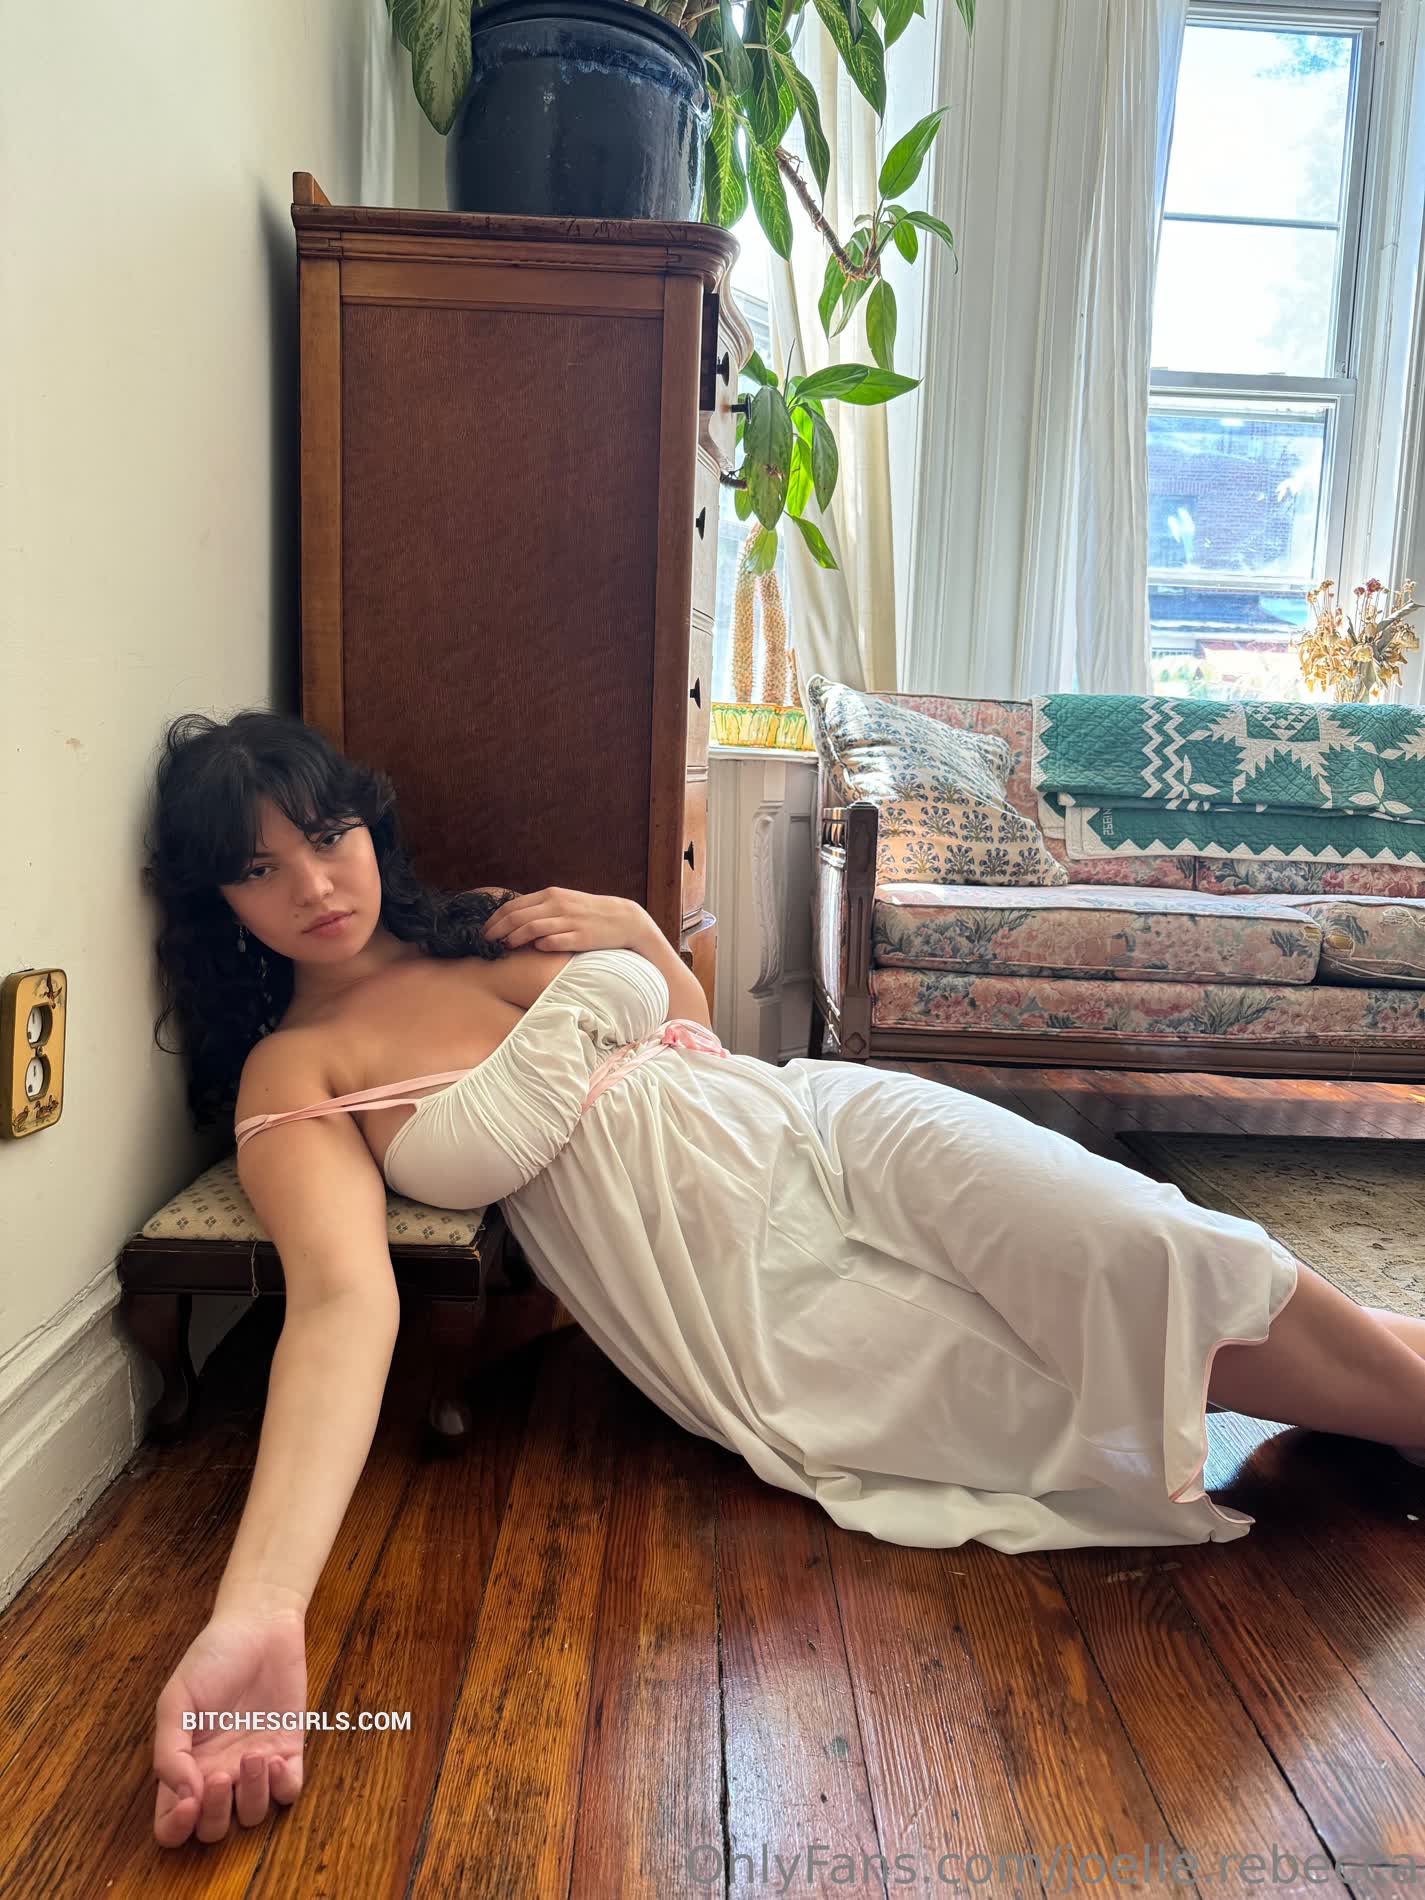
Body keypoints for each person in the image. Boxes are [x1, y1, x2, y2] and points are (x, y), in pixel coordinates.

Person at [143, 709, 1425, 1848]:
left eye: (328, 834)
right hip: (740, 1285)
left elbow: (686, 1027)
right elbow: (342, 1305)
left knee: (1134, 1239)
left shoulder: (479, 919)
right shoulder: (293, 1071)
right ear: (218, 902)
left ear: (369, 822)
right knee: (1045, 1370)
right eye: (259, 867)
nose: (315, 882)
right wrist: (260, 1607)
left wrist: (637, 930)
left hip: (817, 1120)